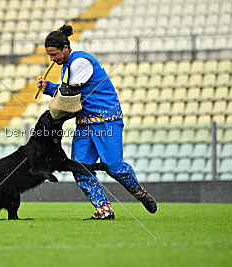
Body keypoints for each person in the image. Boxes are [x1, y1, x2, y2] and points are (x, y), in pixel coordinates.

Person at [37, 25, 157, 220]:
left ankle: (139, 193)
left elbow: (69, 96)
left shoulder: (80, 62)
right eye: (49, 56)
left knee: (114, 167)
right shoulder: (67, 66)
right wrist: (49, 87)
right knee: (80, 166)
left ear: (66, 48)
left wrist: (51, 90)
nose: (52, 59)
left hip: (106, 120)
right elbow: (68, 93)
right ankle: (104, 210)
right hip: (85, 123)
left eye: (54, 54)